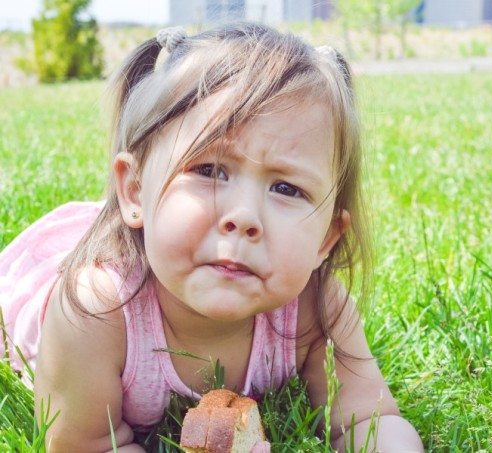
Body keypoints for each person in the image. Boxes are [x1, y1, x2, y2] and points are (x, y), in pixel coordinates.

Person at [0, 23, 424, 452]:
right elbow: (86, 445)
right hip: (48, 275)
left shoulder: (318, 308)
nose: (243, 217)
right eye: (209, 171)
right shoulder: (93, 312)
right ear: (135, 190)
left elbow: (371, 421)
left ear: (325, 240)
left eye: (287, 189)